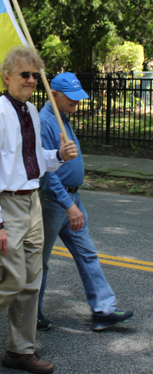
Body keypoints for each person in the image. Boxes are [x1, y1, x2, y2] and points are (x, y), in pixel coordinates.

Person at [0, 46, 78, 374]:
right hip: (7, 204)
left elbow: (34, 160)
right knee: (11, 280)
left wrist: (59, 157)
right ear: (6, 76)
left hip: (32, 202)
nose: (30, 80)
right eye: (24, 74)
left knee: (31, 282)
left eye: (34, 75)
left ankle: (21, 352)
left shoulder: (30, 112)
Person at [38, 72, 134, 331]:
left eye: (78, 99)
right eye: (72, 99)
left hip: (72, 198)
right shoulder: (45, 122)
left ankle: (103, 310)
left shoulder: (63, 117)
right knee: (40, 261)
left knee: (87, 252)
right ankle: (31, 313)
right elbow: (46, 174)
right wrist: (68, 205)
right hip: (55, 201)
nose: (77, 103)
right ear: (53, 94)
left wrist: (73, 201)